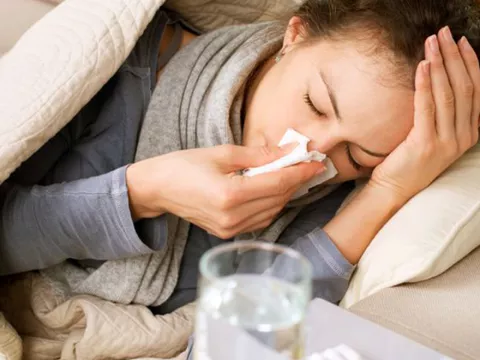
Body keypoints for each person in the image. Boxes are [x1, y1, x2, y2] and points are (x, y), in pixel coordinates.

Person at [0, 0, 479, 312]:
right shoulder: (116, 68)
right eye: (315, 104)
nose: (310, 153)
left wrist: (386, 191)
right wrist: (143, 192)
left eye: (358, 152)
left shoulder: (340, 191)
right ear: (294, 37)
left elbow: (249, 334)